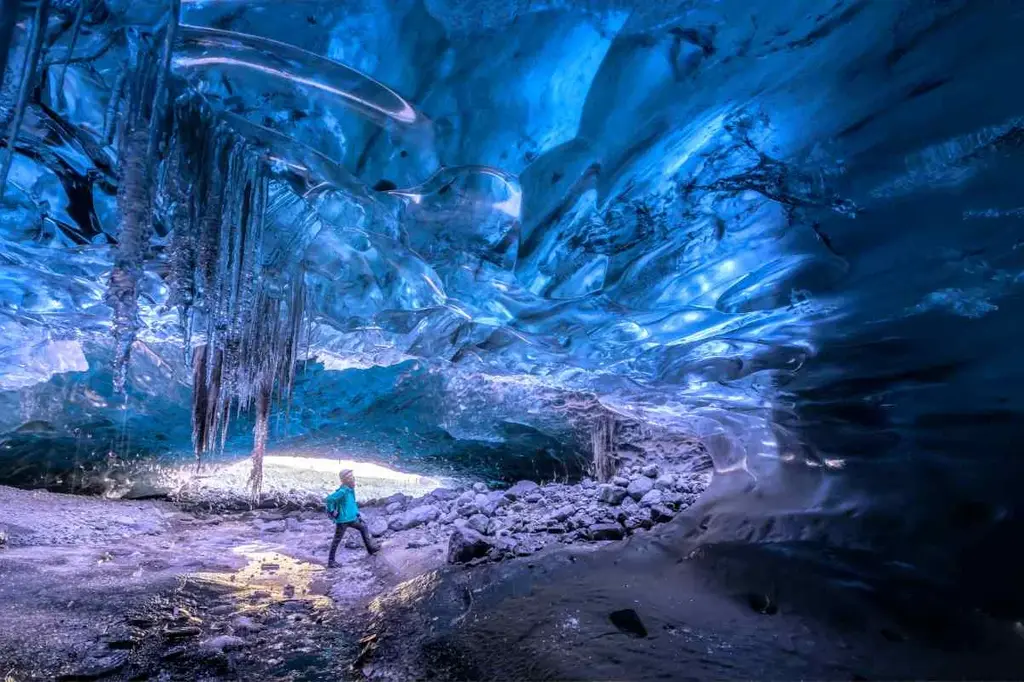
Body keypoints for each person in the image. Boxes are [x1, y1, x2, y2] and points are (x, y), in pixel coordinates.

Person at [324, 469, 378, 567]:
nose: (353, 479)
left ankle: (371, 549)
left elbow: (352, 503)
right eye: (350, 477)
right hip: (343, 520)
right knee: (336, 540)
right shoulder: (343, 491)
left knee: (363, 527)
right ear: (345, 480)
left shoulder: (350, 489)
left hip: (352, 518)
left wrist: (357, 514)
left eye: (353, 476)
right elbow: (329, 499)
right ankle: (331, 562)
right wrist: (332, 511)